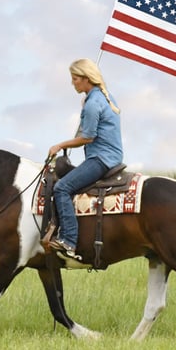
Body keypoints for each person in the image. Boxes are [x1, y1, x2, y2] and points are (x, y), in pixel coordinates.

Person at [48, 58, 123, 263]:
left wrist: (59, 146)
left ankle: (69, 241)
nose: (73, 83)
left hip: (101, 159)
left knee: (62, 188)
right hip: (111, 155)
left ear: (86, 79)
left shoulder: (93, 103)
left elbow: (87, 138)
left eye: (75, 79)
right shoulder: (105, 97)